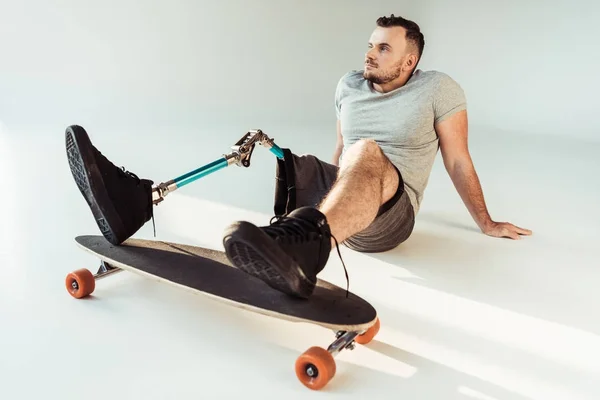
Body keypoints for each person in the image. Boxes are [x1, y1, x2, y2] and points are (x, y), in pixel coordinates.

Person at [65, 14, 531, 301]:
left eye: (383, 48)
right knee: (273, 149)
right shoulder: (349, 85)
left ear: (409, 61)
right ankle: (134, 201)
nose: (370, 53)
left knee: (365, 149)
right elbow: (339, 156)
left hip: (392, 216)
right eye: (370, 44)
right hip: (353, 194)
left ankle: (307, 248)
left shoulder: (439, 89)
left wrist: (486, 222)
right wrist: (317, 188)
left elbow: (457, 160)